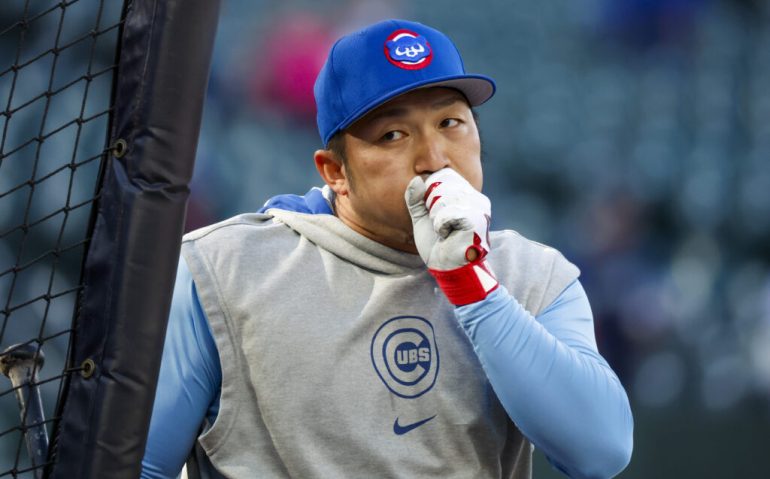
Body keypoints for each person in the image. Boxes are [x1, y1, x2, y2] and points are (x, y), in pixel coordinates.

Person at [141, 19, 633, 479]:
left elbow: (601, 451)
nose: (434, 158)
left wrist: (473, 289)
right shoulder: (221, 268)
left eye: (451, 123)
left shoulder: (532, 272)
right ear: (335, 172)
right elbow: (138, 466)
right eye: (393, 134)